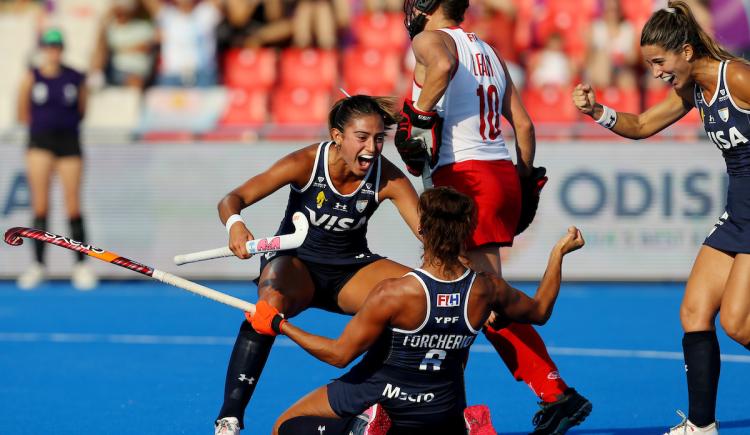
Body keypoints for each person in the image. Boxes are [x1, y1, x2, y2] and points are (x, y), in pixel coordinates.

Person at [394, 1, 592, 433]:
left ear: (427, 6)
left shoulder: (431, 40)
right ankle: (547, 391)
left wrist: (416, 117)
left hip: (464, 175)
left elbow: (442, 66)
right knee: (475, 296)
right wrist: (520, 180)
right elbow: (524, 125)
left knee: (475, 298)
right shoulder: (488, 50)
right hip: (499, 170)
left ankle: (553, 392)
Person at [244, 187, 585, 435]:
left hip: (383, 395)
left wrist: (278, 324)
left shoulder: (395, 292)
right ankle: (465, 428)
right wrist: (558, 254)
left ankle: (358, 430)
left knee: (284, 427)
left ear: (422, 232)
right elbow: (540, 311)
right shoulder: (485, 288)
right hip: (443, 406)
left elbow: (338, 355)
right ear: (466, 233)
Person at [572, 2, 750, 434]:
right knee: (693, 313)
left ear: (686, 51)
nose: (655, 72)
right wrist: (599, 112)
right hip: (737, 212)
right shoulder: (694, 91)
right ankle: (701, 426)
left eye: (659, 62)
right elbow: (639, 125)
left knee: (737, 323)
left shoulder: (740, 77)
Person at [213, 95, 421, 435]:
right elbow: (231, 199)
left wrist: (462, 282)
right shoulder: (307, 162)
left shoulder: (388, 178)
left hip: (350, 270)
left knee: (417, 295)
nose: (372, 147)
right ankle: (229, 417)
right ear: (337, 136)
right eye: (363, 137)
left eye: (379, 138)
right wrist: (235, 223)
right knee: (268, 306)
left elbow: (430, 232)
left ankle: (367, 398)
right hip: (296, 267)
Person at [15, 28, 98, 291]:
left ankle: (80, 265)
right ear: (43, 49)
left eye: (57, 46)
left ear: (62, 48)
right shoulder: (33, 77)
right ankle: (39, 265)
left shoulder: (75, 77)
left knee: (73, 205)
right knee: (40, 206)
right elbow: (21, 110)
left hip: (68, 143)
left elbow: (82, 109)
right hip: (40, 142)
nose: (53, 51)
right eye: (49, 46)